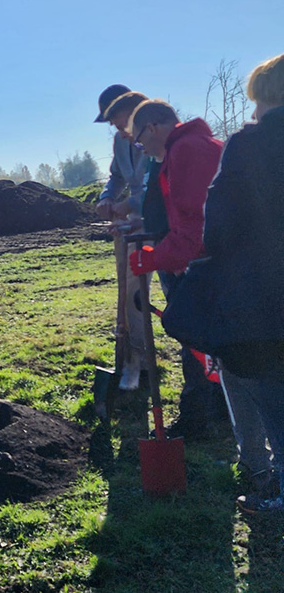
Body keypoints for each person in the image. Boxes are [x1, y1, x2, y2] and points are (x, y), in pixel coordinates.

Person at [201, 52, 284, 513]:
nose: (252, 112)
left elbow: (218, 228)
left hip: (264, 299)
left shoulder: (249, 146)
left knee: (274, 396)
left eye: (257, 101)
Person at [126, 99, 225, 438]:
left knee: (191, 331)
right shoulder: (198, 146)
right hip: (217, 265)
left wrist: (154, 258)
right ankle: (221, 415)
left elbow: (195, 227)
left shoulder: (185, 152)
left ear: (153, 127)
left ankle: (200, 420)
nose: (141, 147)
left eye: (140, 139)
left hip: (212, 267)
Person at [94, 87, 151, 390]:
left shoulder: (156, 134)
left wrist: (128, 207)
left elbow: (153, 184)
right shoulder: (120, 141)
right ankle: (136, 361)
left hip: (162, 222)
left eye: (115, 120)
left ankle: (204, 373)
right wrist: (107, 199)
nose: (114, 128)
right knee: (132, 294)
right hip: (136, 225)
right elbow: (117, 176)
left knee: (180, 297)